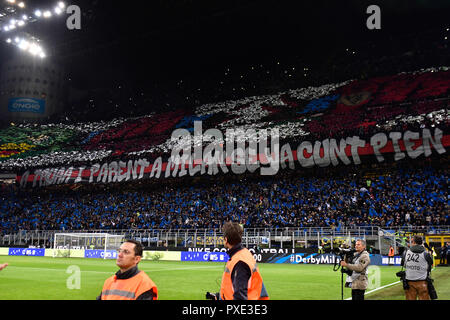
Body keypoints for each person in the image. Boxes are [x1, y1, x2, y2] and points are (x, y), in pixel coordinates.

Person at [211, 222, 269, 300]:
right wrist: (220, 296)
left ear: (226, 239)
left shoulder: (239, 262)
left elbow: (240, 296)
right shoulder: (244, 253)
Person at [401, 235, 433, 300]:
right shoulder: (426, 254)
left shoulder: (406, 252)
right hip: (423, 282)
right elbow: (430, 265)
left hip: (409, 282)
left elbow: (403, 265)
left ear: (413, 242)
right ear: (421, 243)